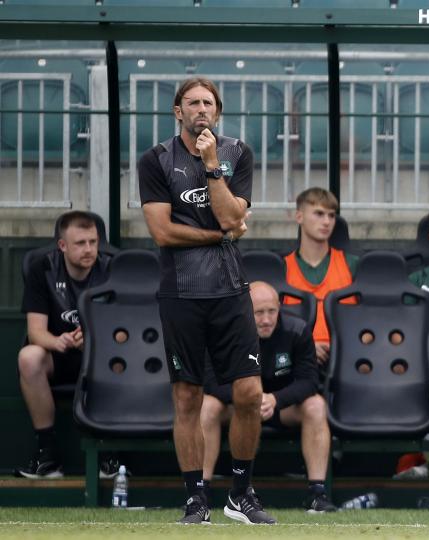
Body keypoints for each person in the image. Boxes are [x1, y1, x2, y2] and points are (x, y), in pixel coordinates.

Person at [138, 77, 274, 525]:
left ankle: (240, 493)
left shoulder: (237, 153)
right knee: (187, 398)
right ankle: (196, 498)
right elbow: (163, 232)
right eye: (192, 102)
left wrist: (213, 165)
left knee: (250, 393)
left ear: (217, 112)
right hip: (181, 294)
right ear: (177, 110)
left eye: (208, 103)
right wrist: (217, 236)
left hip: (231, 291)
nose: (201, 110)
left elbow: (235, 214)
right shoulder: (156, 160)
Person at [201, 282, 334, 514]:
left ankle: (317, 493)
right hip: (239, 407)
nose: (266, 319)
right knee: (208, 406)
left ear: (279, 308)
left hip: (280, 407)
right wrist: (247, 399)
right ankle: (201, 492)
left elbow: (310, 381)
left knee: (316, 405)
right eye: (258, 313)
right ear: (243, 311)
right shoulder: (224, 333)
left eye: (271, 311)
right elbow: (212, 383)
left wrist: (275, 399)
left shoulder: (297, 329)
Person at [16, 211, 111, 479]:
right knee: (29, 357)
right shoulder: (43, 268)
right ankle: (48, 453)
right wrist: (59, 341)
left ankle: (108, 450)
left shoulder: (110, 268)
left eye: (93, 242)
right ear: (62, 245)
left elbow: (122, 337)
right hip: (58, 356)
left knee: (118, 359)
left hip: (100, 360)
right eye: (80, 243)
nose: (89, 250)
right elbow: (36, 332)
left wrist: (93, 341)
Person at [284, 187, 358, 364]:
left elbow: (369, 321)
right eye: (319, 213)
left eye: (331, 215)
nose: (327, 221)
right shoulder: (282, 267)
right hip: (294, 360)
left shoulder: (352, 264)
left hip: (346, 358)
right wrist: (306, 346)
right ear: (299, 217)